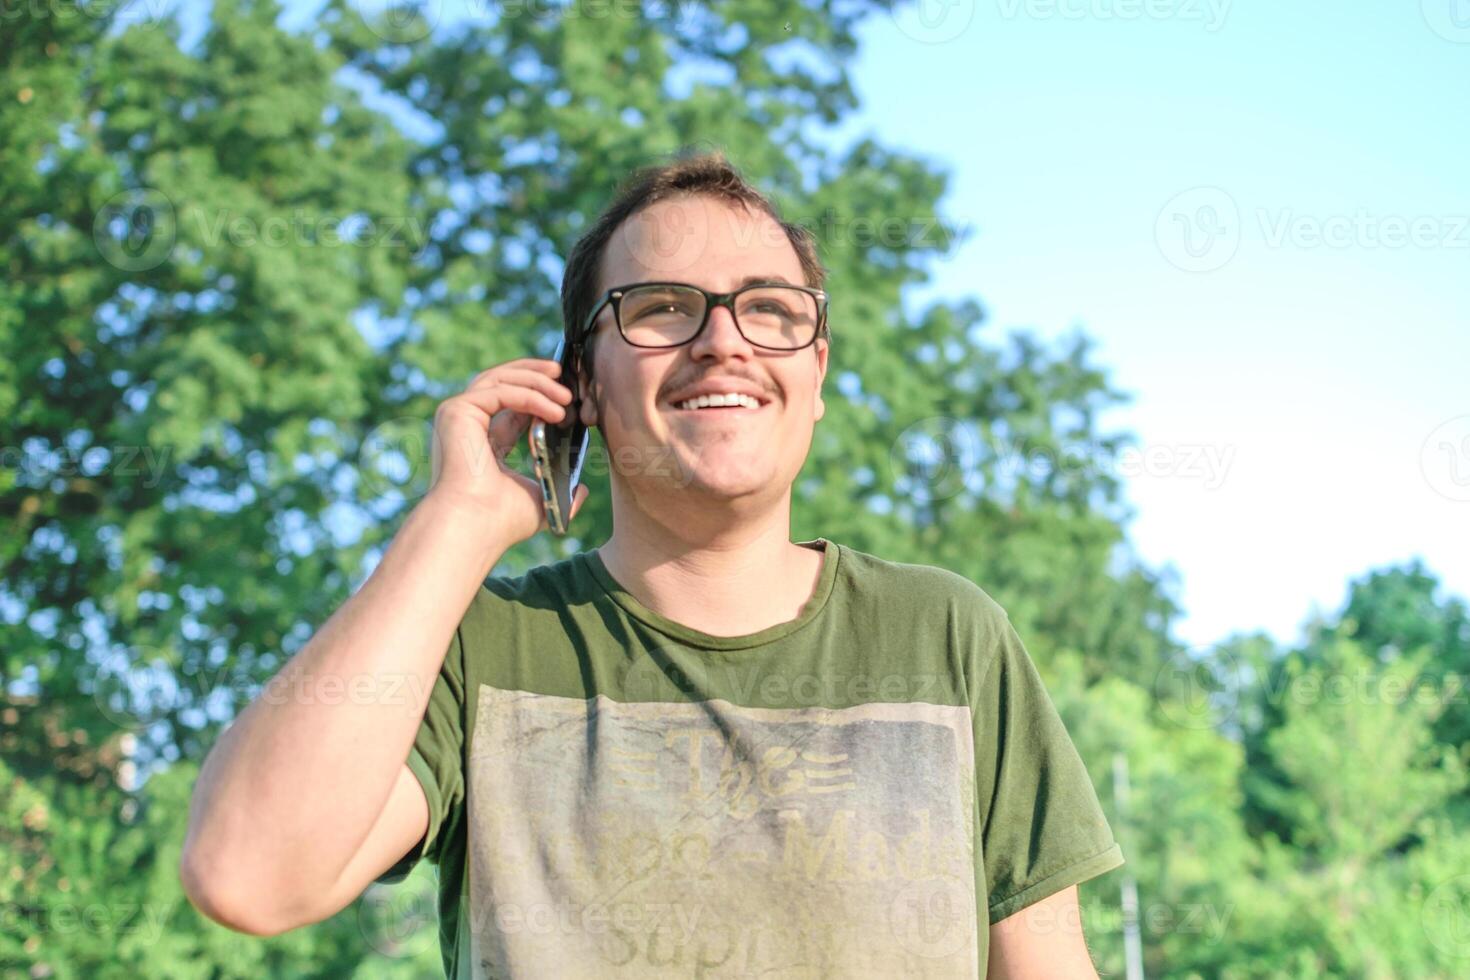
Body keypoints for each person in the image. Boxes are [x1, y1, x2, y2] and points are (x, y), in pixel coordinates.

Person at [180, 149, 1125, 978]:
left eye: (770, 309)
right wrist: (456, 523)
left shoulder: (947, 637)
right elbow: (249, 876)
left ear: (817, 372)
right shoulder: (485, 652)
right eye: (662, 310)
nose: (724, 340)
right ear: (580, 383)